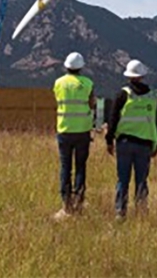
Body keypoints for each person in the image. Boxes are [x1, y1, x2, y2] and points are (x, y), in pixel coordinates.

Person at [105, 59, 157, 219]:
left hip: (124, 143)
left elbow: (113, 119)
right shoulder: (153, 97)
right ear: (143, 76)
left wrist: (109, 140)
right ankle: (141, 212)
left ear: (129, 76)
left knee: (122, 179)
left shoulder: (123, 94)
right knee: (141, 180)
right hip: (145, 145)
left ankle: (120, 212)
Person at [52, 51, 96, 220]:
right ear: (81, 67)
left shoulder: (59, 83)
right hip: (83, 130)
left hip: (64, 129)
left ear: (66, 66)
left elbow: (57, 100)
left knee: (65, 167)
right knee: (80, 167)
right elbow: (92, 103)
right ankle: (79, 201)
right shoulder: (88, 83)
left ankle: (66, 204)